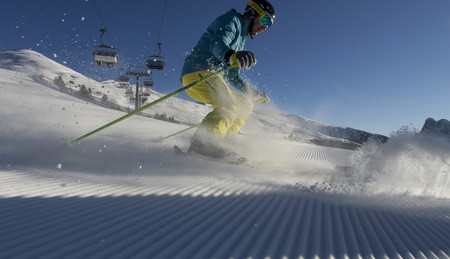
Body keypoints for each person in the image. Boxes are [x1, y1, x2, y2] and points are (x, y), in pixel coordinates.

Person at [181, 0, 275, 158]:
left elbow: (233, 76)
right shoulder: (232, 20)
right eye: (265, 20)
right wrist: (230, 56)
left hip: (212, 78)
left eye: (269, 25)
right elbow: (217, 43)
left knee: (244, 104)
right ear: (253, 12)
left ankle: (222, 141)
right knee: (229, 104)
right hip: (199, 71)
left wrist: (253, 93)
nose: (265, 27)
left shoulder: (241, 41)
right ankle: (203, 146)